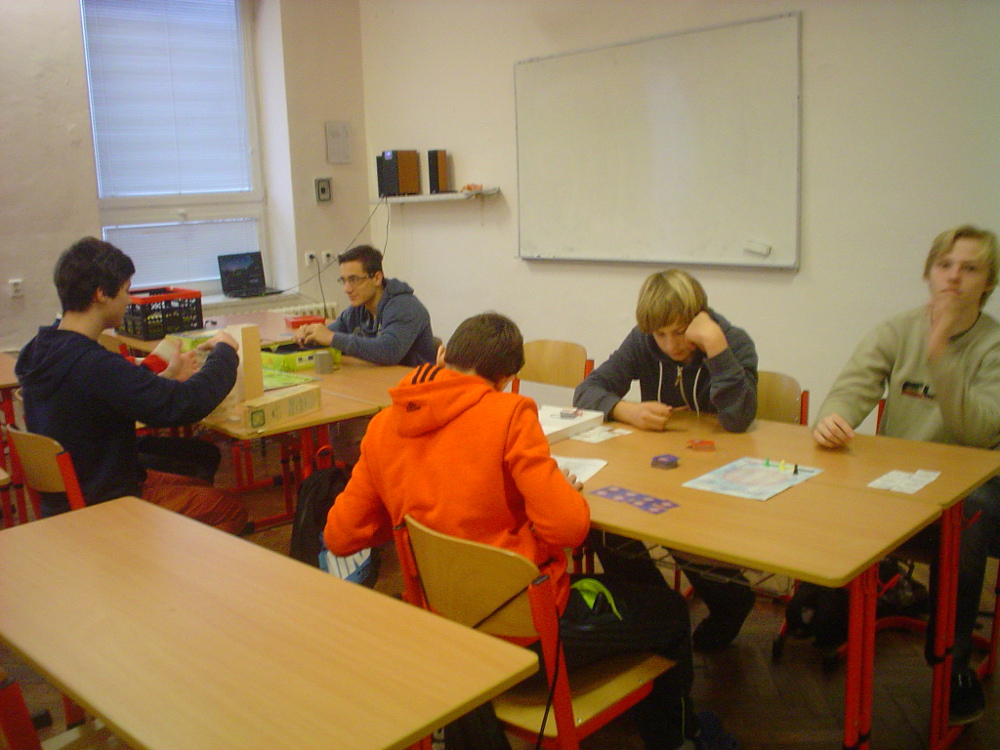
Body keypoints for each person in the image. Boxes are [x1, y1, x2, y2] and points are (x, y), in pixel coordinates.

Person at [324, 312, 722, 750]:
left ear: (441, 355)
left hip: (444, 628)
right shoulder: (509, 414)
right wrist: (552, 495)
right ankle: (679, 737)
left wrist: (413, 509)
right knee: (670, 610)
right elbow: (570, 528)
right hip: (527, 633)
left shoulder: (384, 424)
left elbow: (340, 536)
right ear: (508, 379)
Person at [814, 224, 1000, 725]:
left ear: (988, 282)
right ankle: (827, 610)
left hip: (978, 488)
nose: (954, 277)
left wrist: (941, 356)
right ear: (929, 273)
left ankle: (952, 663)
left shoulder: (993, 345)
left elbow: (980, 432)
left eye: (970, 268)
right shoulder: (897, 330)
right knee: (827, 481)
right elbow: (851, 388)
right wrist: (833, 418)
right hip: (905, 481)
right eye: (945, 265)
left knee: (971, 513)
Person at [574, 269, 759, 650]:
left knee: (682, 526)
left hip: (716, 475)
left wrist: (716, 347)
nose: (671, 345)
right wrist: (627, 410)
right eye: (661, 334)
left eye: (679, 332)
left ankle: (730, 600)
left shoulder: (732, 342)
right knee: (600, 520)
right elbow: (587, 391)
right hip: (659, 468)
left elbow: (738, 419)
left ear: (699, 319)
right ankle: (658, 610)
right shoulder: (644, 340)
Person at [15, 237, 249, 534]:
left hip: (73, 492)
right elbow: (186, 403)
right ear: (102, 294)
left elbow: (107, 394)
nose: (128, 301)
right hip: (103, 502)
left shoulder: (41, 349)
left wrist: (162, 378)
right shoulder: (93, 364)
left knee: (199, 482)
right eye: (126, 291)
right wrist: (225, 352)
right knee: (232, 509)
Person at [293, 244, 436, 366]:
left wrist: (332, 338)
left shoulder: (405, 307)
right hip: (377, 378)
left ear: (377, 278)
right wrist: (308, 337)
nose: (347, 289)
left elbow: (389, 352)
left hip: (415, 383)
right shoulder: (357, 309)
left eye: (354, 280)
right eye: (344, 281)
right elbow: (329, 335)